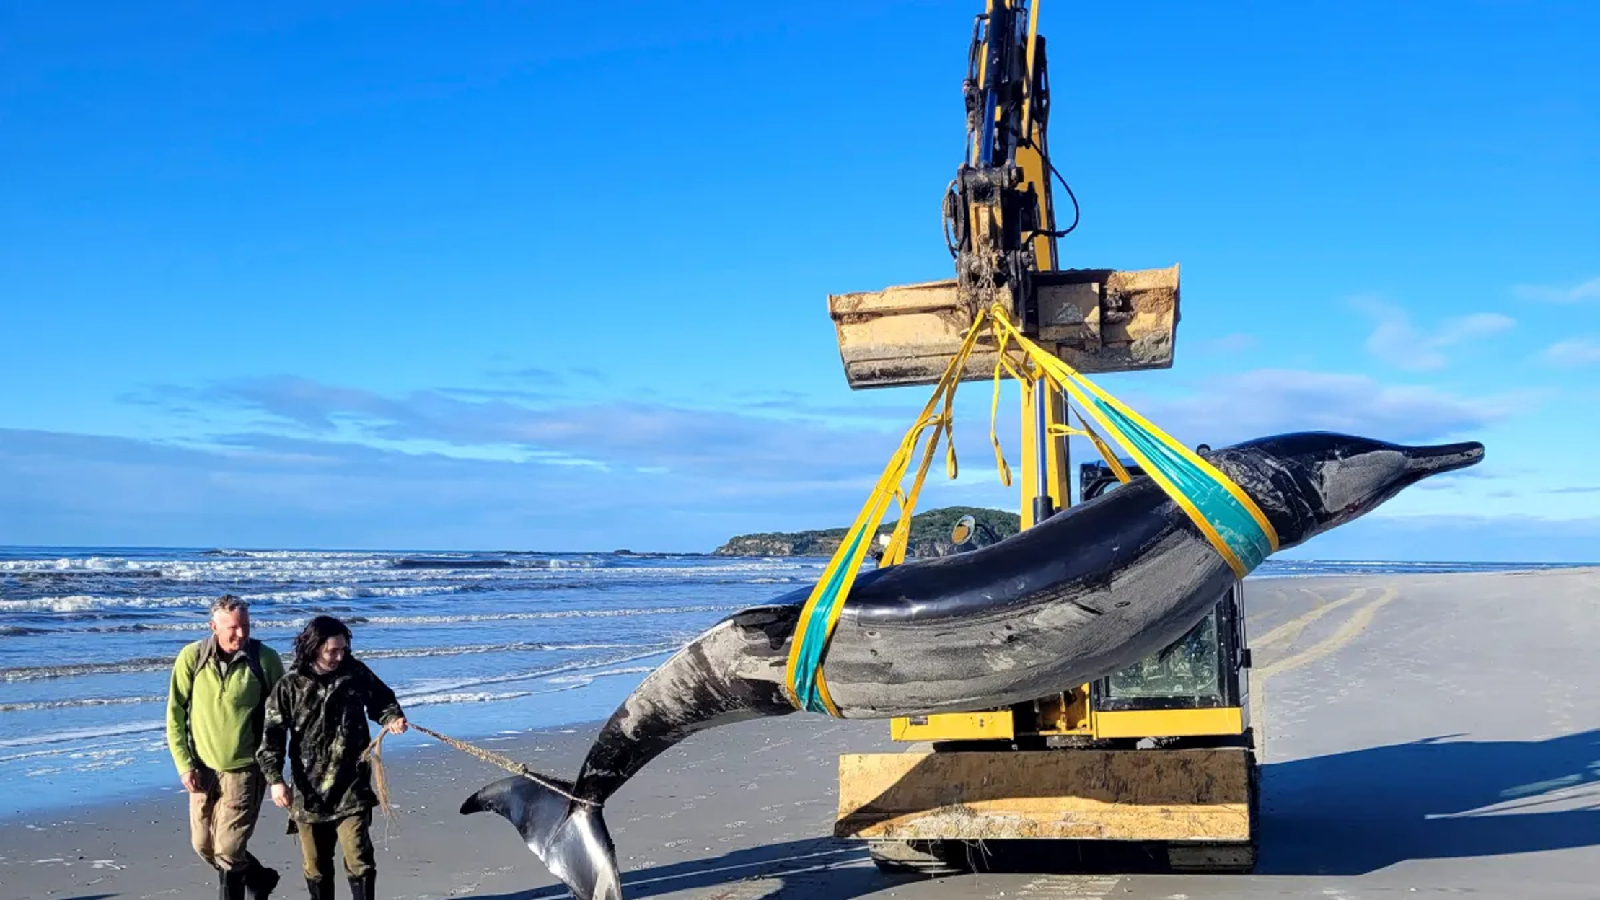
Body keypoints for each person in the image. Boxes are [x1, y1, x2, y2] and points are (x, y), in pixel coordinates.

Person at [258, 616, 407, 900]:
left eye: (344, 650)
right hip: (308, 790)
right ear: (314, 647)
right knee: (316, 865)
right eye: (333, 651)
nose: (340, 656)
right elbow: (272, 737)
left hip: (353, 785)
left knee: (359, 856)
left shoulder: (355, 673)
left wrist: (392, 718)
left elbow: (382, 700)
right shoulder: (289, 685)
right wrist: (275, 780)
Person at [166, 594, 286, 900]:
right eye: (233, 627)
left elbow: (283, 716)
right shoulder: (191, 658)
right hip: (202, 769)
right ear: (213, 626)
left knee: (229, 849)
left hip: (245, 770)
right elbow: (175, 713)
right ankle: (260, 879)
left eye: (245, 625)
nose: (241, 634)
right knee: (203, 845)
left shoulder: (265, 659)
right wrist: (184, 764)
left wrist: (276, 774)